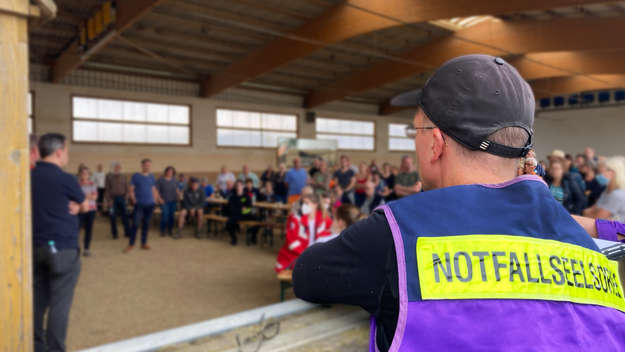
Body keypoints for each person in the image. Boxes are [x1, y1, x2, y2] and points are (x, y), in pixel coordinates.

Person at [292, 55, 625, 352]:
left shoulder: (398, 232)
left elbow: (307, 274)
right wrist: (549, 213)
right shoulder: (590, 248)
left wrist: (428, 208)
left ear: (436, 144)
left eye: (417, 131)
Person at [32, 133, 89, 352]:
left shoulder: (29, 176)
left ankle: (36, 345)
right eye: (66, 151)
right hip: (63, 248)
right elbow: (85, 204)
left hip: (36, 247)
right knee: (60, 304)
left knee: (38, 299)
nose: (67, 155)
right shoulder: (65, 178)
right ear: (58, 152)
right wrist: (78, 207)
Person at [275, 193, 332, 273]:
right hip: (296, 255)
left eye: (307, 203)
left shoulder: (325, 220)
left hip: (316, 255)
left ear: (315, 205)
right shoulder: (295, 218)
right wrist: (305, 254)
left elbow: (328, 239)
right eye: (303, 203)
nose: (303, 206)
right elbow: (291, 240)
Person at [125, 159, 159, 253]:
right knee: (135, 224)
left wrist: (155, 200)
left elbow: (154, 189)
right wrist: (134, 200)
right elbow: (131, 189)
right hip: (139, 204)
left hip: (150, 204)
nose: (147, 167)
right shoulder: (136, 176)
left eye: (149, 165)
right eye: (146, 165)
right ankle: (131, 244)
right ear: (142, 166)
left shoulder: (152, 177)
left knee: (146, 224)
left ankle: (143, 243)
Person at [584, 156, 625, 222]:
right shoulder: (607, 190)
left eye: (601, 172)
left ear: (611, 173)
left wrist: (591, 213)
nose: (598, 175)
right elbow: (589, 211)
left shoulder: (617, 194)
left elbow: (596, 218)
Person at [104, 162, 130, 239]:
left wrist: (126, 197)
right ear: (113, 168)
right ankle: (114, 233)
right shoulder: (109, 177)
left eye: (119, 167)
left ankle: (127, 232)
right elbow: (107, 189)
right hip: (112, 199)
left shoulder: (124, 176)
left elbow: (127, 188)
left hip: (122, 198)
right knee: (112, 216)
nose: (117, 169)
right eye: (116, 167)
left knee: (125, 216)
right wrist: (109, 200)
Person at [225, 180, 254, 246]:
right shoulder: (232, 197)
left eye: (240, 185)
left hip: (245, 215)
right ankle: (234, 238)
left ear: (243, 186)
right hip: (235, 215)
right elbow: (230, 208)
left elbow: (249, 208)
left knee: (257, 220)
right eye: (237, 186)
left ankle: (253, 237)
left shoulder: (246, 196)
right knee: (228, 223)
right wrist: (241, 209)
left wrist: (243, 210)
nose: (238, 187)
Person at [78, 168, 97, 257]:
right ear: (80, 174)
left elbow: (94, 197)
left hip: (91, 210)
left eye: (86, 173)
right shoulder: (76, 184)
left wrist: (82, 196)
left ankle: (86, 249)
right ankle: (76, 249)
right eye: (83, 173)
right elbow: (75, 197)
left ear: (89, 174)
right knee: (77, 230)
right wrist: (88, 195)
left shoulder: (92, 184)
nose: (84, 175)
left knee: (89, 230)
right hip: (80, 210)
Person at [156, 166, 178, 237]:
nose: (170, 173)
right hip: (164, 201)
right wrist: (159, 199)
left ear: (173, 172)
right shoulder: (160, 180)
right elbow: (156, 191)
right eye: (168, 171)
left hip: (173, 201)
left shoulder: (174, 180)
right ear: (166, 172)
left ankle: (170, 230)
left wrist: (179, 194)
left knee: (171, 216)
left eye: (171, 171)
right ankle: (163, 230)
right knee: (165, 215)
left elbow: (177, 189)